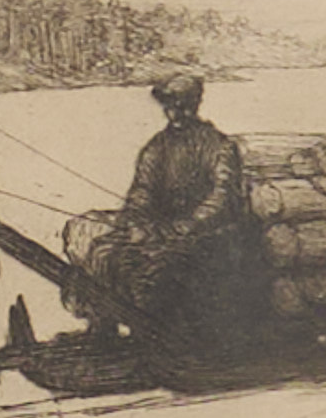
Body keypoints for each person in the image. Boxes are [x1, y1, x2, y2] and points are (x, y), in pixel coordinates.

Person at [66, 70, 275, 364]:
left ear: (195, 104)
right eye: (170, 106)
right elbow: (143, 190)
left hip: (212, 235)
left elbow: (221, 198)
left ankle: (157, 338)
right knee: (103, 253)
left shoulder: (219, 146)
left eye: (182, 106)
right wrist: (136, 219)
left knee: (158, 268)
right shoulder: (157, 146)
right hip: (164, 231)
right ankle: (103, 330)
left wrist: (184, 226)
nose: (176, 113)